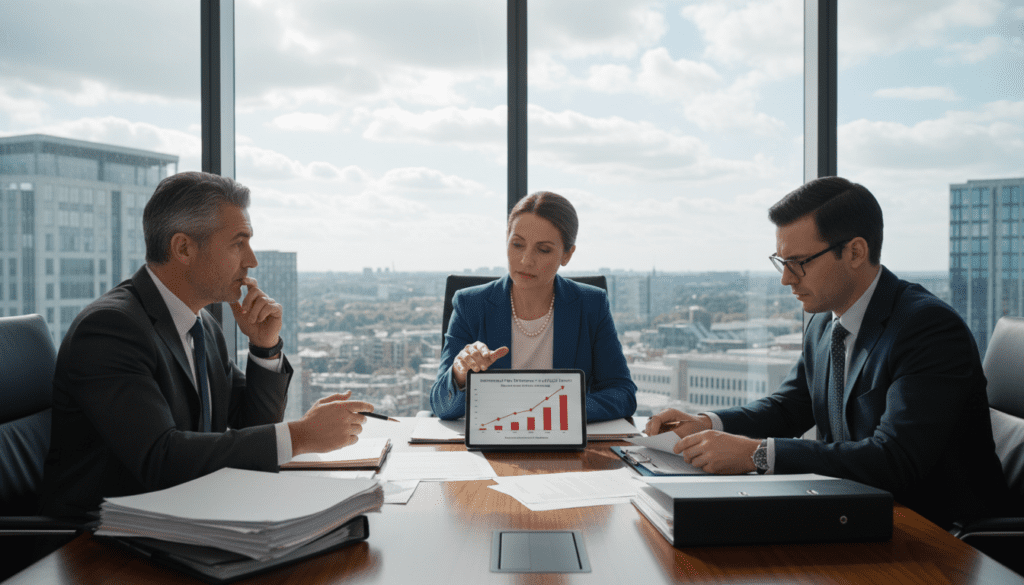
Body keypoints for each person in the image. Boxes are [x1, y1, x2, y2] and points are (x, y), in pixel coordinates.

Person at [646, 176, 1007, 529]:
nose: (786, 279)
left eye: (798, 263)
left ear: (855, 252)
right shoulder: (824, 322)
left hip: (938, 535)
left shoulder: (927, 328)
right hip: (856, 514)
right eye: (781, 262)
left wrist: (757, 454)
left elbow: (896, 460)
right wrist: (708, 424)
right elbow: (789, 406)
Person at [40, 171, 373, 518]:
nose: (251, 260)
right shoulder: (111, 329)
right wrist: (300, 436)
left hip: (186, 514)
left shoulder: (201, 325)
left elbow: (251, 424)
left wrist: (265, 348)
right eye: (238, 243)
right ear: (183, 248)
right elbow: (160, 458)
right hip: (98, 544)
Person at [430, 191, 637, 422]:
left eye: (543, 249)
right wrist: (459, 374)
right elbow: (441, 406)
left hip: (564, 445)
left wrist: (553, 411)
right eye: (517, 244)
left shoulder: (591, 305)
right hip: (492, 445)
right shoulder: (470, 305)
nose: (526, 260)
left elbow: (622, 394)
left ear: (567, 254)